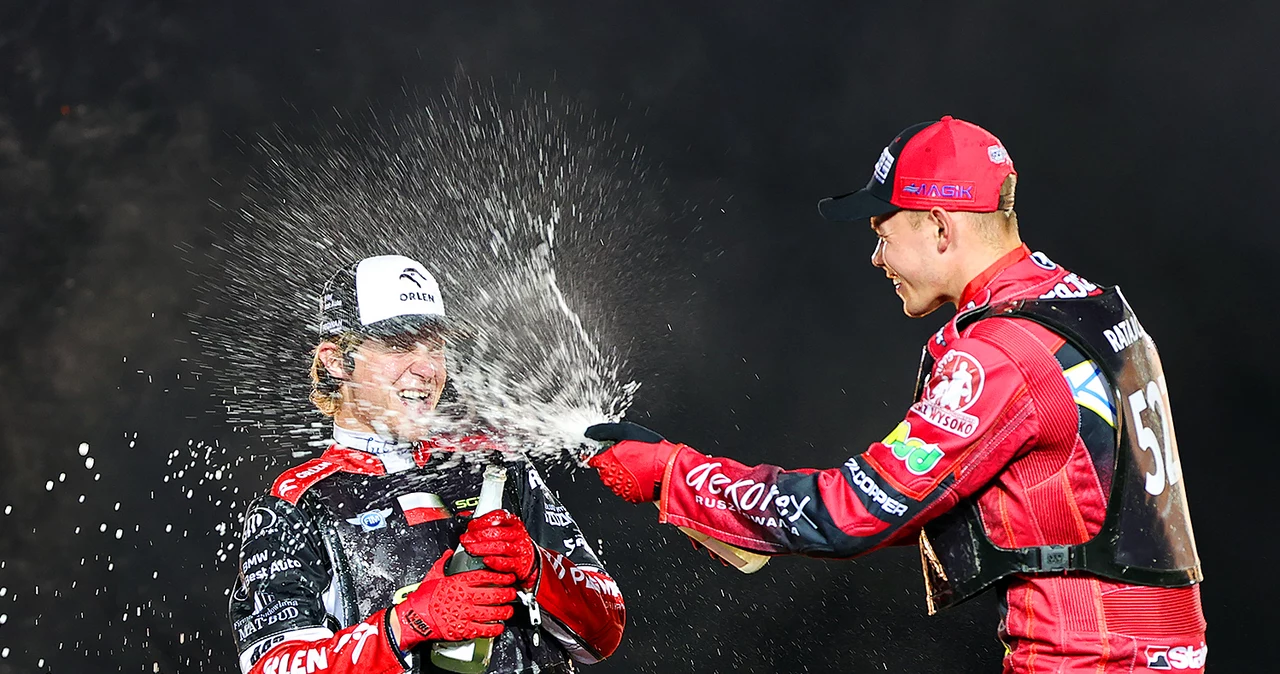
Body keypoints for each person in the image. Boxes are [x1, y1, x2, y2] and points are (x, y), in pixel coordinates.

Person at [585, 117, 1207, 673]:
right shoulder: (1090, 308)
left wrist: (675, 474)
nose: (877, 257)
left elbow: (853, 512)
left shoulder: (999, 354)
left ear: (939, 225)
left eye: (883, 230)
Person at [229, 254, 625, 674]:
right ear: (335, 361)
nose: (427, 368)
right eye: (399, 345)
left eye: (435, 347)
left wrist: (537, 567)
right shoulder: (295, 505)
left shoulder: (493, 462)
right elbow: (273, 666)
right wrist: (406, 625)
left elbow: (606, 631)